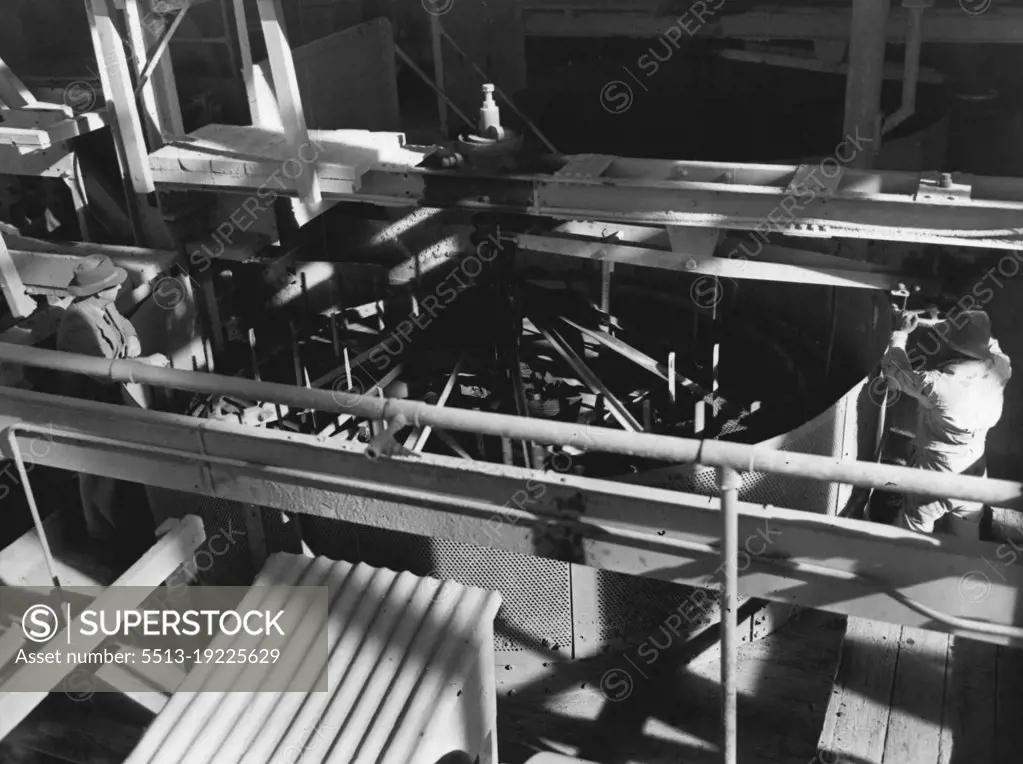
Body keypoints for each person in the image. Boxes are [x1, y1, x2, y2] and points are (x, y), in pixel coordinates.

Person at [56, 255, 169, 545]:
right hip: (88, 409)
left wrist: (132, 338)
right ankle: (102, 537)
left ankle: (123, 523)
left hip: (110, 402)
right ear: (97, 291)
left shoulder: (102, 306)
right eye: (113, 284)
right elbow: (104, 373)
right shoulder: (78, 323)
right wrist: (149, 362)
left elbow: (123, 325)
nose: (120, 286)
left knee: (116, 471)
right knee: (97, 475)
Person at [881, 309, 1011, 538]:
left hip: (935, 473)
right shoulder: (1001, 366)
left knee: (912, 535)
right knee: (965, 542)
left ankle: (902, 569)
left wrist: (899, 334)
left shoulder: (937, 384)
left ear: (952, 346)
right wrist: (948, 323)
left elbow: (894, 375)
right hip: (974, 471)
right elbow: (988, 342)